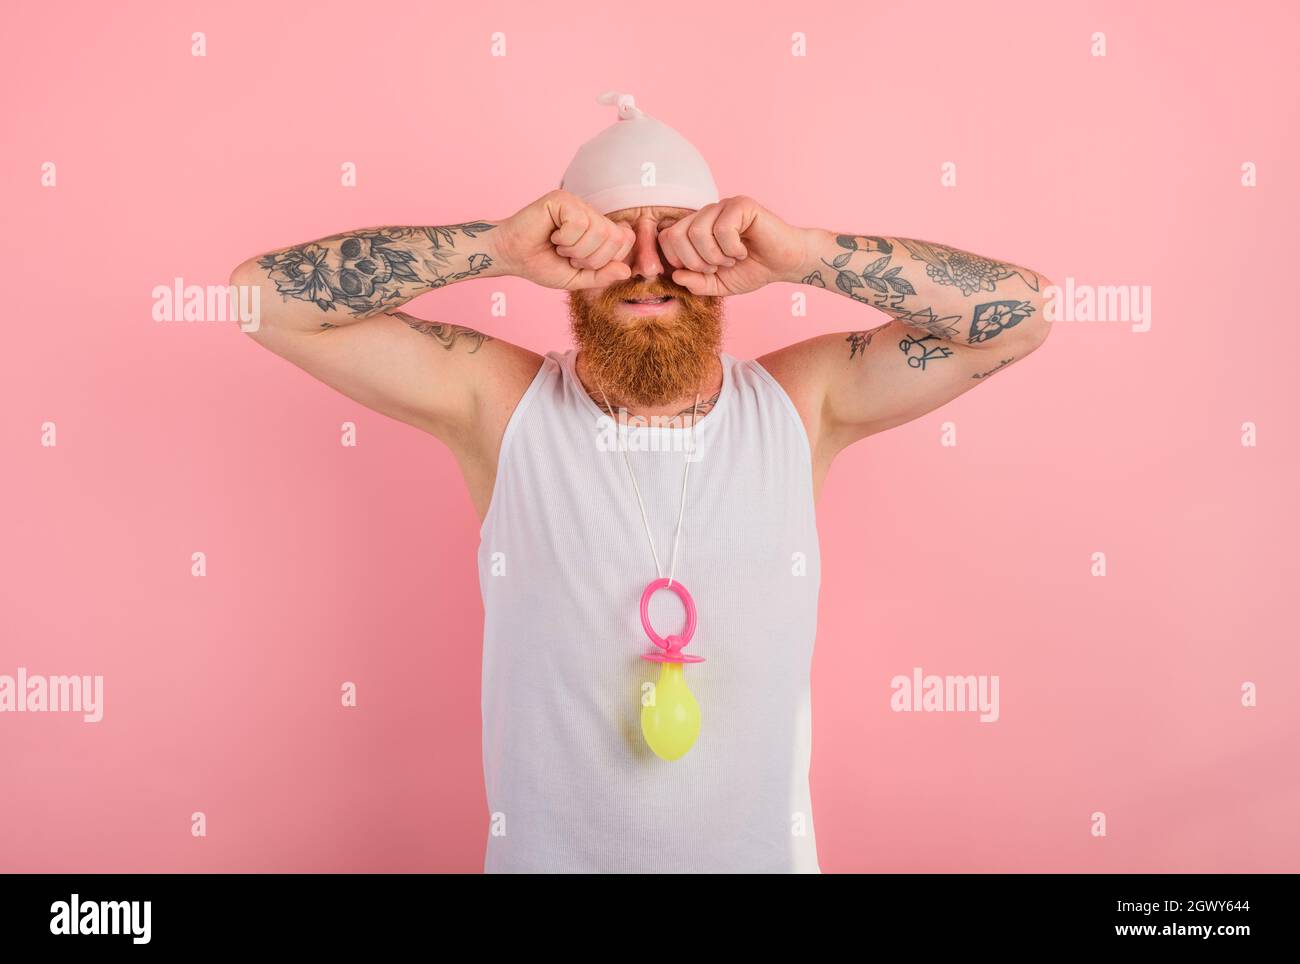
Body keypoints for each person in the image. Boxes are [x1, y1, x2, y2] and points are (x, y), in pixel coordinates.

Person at [228, 90, 1052, 873]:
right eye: (618, 237)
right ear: (566, 257)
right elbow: (260, 299)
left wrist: (805, 255)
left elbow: (1028, 315)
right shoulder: (500, 405)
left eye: (678, 233)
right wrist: (494, 248)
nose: (649, 265)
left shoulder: (806, 404)